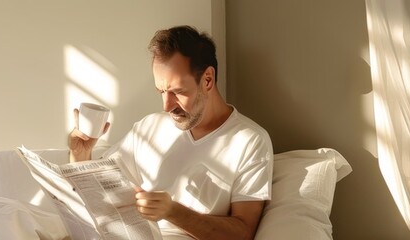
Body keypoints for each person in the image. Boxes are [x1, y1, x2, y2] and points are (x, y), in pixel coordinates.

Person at [68, 25, 273, 240]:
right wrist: (81, 157)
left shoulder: (250, 140)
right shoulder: (150, 127)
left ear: (208, 80)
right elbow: (99, 194)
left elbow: (243, 232)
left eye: (177, 91)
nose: (167, 106)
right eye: (162, 91)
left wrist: (173, 212)